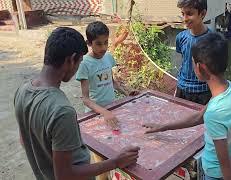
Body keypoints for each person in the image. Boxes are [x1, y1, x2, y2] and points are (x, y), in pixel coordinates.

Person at [14, 27, 140, 180]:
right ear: (71, 59)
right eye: (79, 61)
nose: (78, 67)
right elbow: (65, 175)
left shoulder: (22, 91)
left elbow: (24, 140)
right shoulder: (61, 111)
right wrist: (115, 162)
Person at [144, 32, 231, 180]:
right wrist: (162, 127)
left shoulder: (215, 113)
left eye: (193, 62)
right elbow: (199, 117)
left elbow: (229, 176)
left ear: (200, 68)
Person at [76, 21, 137, 129]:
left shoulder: (108, 57)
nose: (103, 47)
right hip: (94, 113)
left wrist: (127, 92)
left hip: (111, 108)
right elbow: (85, 99)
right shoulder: (84, 64)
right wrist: (103, 112)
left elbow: (112, 82)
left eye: (106, 42)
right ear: (89, 43)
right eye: (98, 44)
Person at [175, 0, 212, 105]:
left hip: (204, 91)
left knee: (200, 121)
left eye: (190, 14)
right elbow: (184, 59)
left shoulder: (213, 40)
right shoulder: (180, 37)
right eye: (183, 14)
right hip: (182, 88)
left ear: (203, 14)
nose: (185, 19)